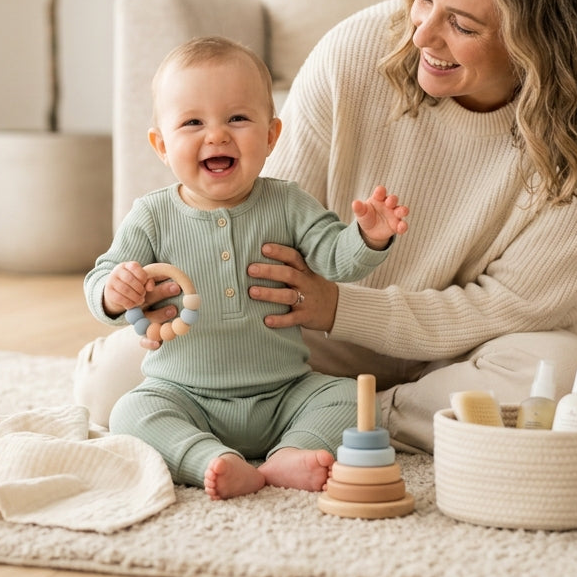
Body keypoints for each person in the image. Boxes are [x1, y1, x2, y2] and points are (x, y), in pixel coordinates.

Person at [75, 0, 577, 456]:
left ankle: (353, 412)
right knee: (113, 384)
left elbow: (512, 305)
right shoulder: (357, 50)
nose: (422, 34)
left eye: (464, 26)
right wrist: (157, 298)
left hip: (466, 349)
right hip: (304, 337)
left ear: (541, 40)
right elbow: (262, 224)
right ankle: (329, 414)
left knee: (570, 380)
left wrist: (343, 306)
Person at [84, 36, 410, 500]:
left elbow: (336, 259)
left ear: (272, 136)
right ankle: (210, 460)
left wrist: (369, 236)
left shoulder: (289, 203)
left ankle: (289, 455)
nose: (216, 135)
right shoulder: (151, 215)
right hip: (185, 393)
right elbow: (102, 276)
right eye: (192, 122)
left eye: (237, 118)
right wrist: (113, 292)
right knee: (130, 413)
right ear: (161, 145)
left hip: (284, 391)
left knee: (350, 401)